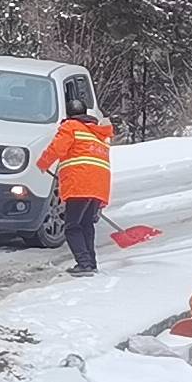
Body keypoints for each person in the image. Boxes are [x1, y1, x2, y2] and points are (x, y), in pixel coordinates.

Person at [34, 82, 114, 276]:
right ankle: (91, 262)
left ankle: (84, 263)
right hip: (98, 186)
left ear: (69, 115)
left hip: (79, 184)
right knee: (86, 224)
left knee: (71, 226)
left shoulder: (71, 127)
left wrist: (42, 164)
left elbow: (57, 148)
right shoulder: (99, 134)